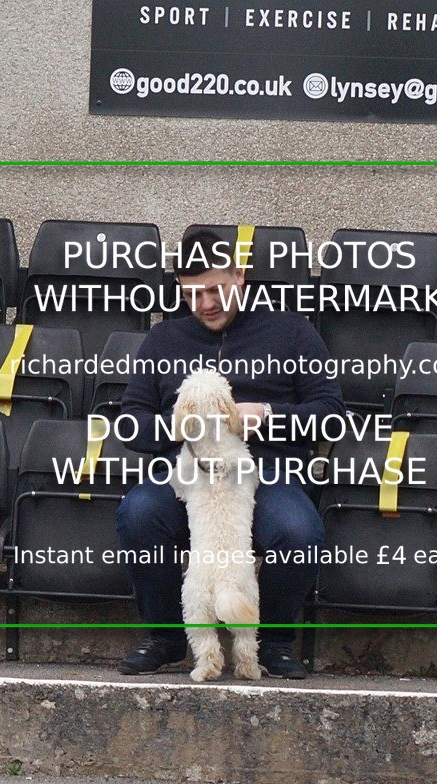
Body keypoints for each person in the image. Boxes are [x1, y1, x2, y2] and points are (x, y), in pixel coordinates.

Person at [116, 228, 345, 678]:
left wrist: (265, 413)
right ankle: (166, 637)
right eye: (192, 294)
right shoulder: (164, 340)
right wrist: (176, 427)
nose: (205, 304)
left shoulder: (292, 331)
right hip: (187, 473)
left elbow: (331, 414)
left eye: (215, 289)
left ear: (239, 276)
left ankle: (274, 642)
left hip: (269, 471)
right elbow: (131, 422)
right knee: (138, 512)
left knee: (297, 531)